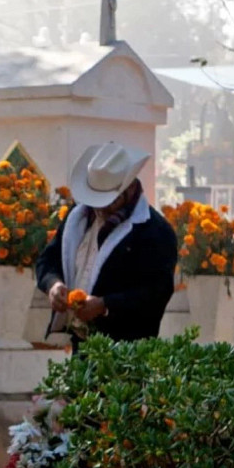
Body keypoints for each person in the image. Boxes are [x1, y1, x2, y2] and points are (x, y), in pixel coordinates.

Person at [37, 141, 179, 344]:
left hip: (128, 347)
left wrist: (105, 305)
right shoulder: (77, 218)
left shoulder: (155, 231)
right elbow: (47, 260)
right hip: (82, 343)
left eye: (106, 201)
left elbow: (156, 292)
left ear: (129, 190)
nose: (99, 209)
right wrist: (54, 284)